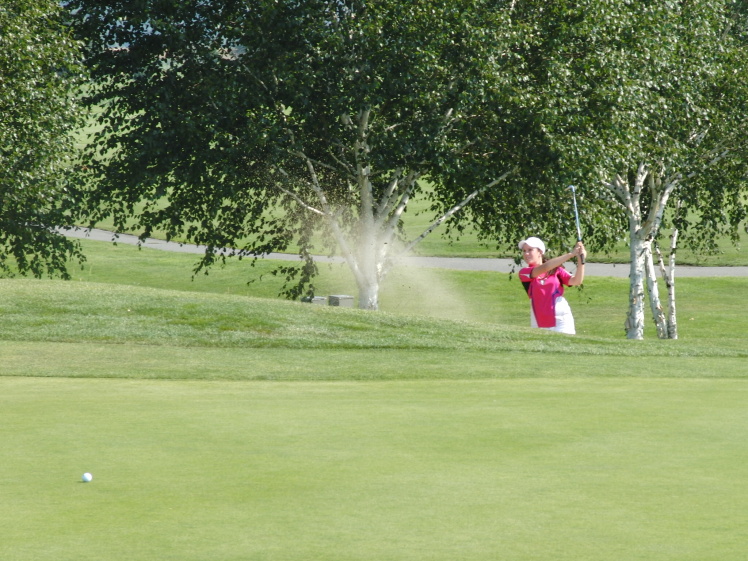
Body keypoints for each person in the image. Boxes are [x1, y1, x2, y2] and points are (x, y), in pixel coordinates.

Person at [517, 236, 586, 335]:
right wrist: (571, 254)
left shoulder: (556, 269)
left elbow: (576, 281)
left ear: (540, 252)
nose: (526, 254)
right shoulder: (524, 273)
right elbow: (545, 267)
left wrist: (581, 261)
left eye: (530, 250)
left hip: (562, 319)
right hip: (539, 321)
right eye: (524, 251)